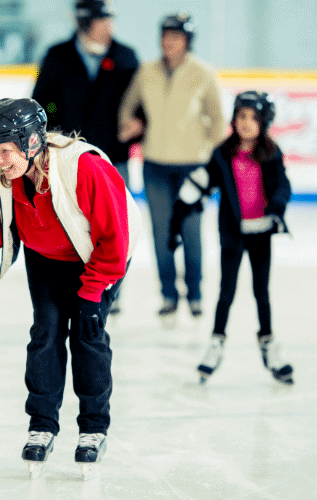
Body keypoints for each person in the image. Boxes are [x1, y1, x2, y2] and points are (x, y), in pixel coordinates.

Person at [0, 98, 140, 479]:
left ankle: (93, 428)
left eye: (6, 151)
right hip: (47, 258)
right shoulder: (0, 180)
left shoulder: (84, 168)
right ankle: (43, 424)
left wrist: (92, 293)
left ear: (32, 142)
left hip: (98, 257)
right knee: (46, 332)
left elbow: (115, 241)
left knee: (87, 335)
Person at [172, 91, 294, 385]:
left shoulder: (272, 153)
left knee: (261, 294)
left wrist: (277, 207)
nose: (247, 123)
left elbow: (282, 185)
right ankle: (216, 342)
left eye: (254, 117)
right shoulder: (222, 153)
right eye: (242, 116)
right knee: (225, 293)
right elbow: (205, 179)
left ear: (265, 121)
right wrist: (183, 206)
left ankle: (268, 342)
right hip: (233, 234)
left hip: (261, 232)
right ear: (233, 119)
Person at [118, 12, 227, 325]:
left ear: (187, 41)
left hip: (193, 167)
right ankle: (168, 294)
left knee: (191, 232)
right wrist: (130, 124)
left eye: (176, 36)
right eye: (165, 35)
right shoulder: (146, 71)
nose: (169, 41)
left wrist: (213, 157)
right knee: (162, 233)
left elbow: (217, 119)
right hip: (155, 165)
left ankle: (194, 293)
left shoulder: (203, 73)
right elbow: (129, 105)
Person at [32, 0, 138, 187]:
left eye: (110, 20)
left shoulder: (125, 57)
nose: (109, 26)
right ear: (85, 22)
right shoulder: (57, 56)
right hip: (67, 155)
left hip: (113, 157)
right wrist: (55, 126)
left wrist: (137, 123)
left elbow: (139, 102)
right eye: (102, 20)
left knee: (114, 214)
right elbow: (45, 101)